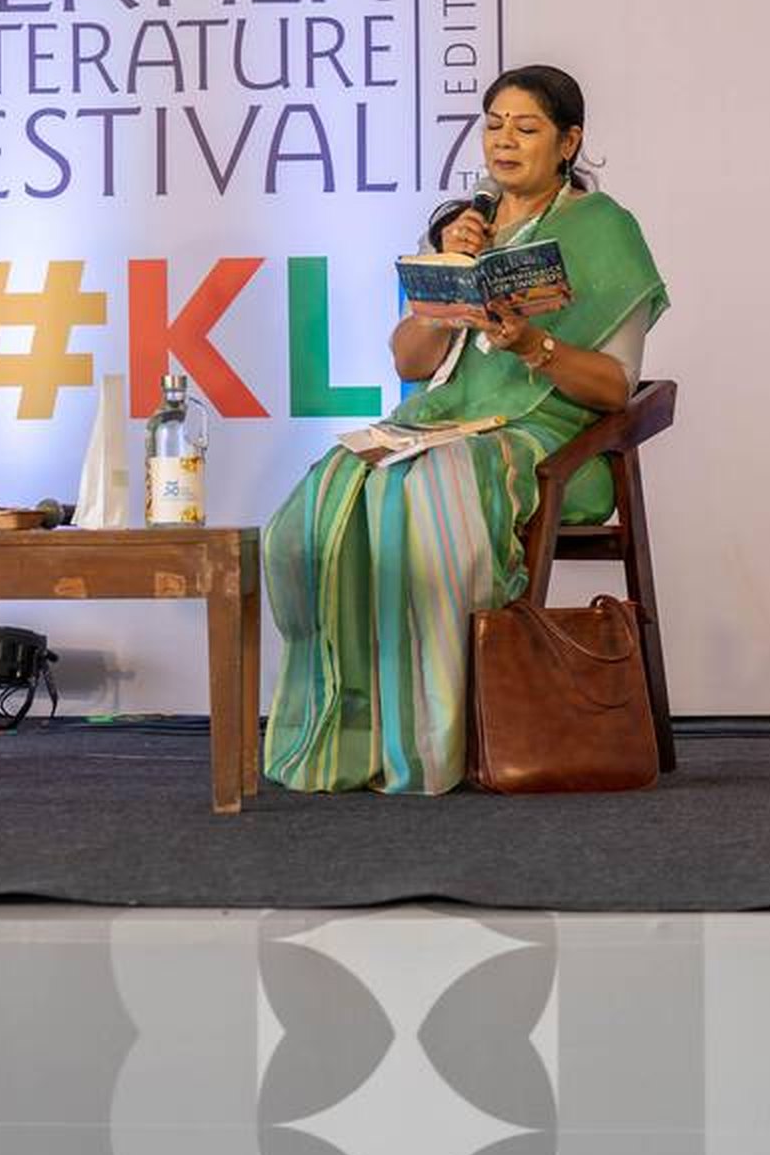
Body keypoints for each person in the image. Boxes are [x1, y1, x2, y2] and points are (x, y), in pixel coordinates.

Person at [261, 65, 669, 794]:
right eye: (494, 125)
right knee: (323, 502)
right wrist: (448, 277)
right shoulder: (465, 227)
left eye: (527, 128)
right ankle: (353, 731)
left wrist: (533, 346)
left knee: (423, 499)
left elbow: (615, 386)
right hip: (440, 425)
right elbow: (409, 361)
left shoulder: (605, 230)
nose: (504, 141)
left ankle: (437, 737)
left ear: (569, 142)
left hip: (547, 439)